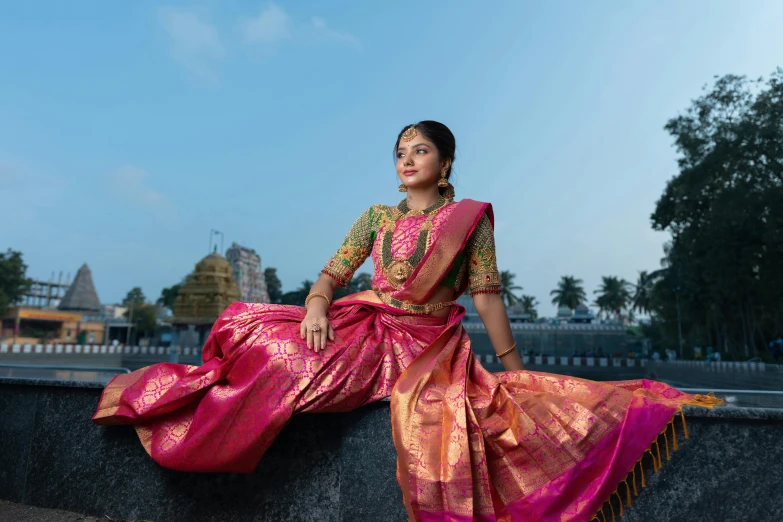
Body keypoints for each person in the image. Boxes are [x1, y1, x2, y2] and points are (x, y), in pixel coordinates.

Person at [92, 121, 723, 521]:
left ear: (445, 162)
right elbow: (333, 273)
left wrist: (514, 370)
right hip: (364, 318)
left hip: (422, 343)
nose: (407, 159)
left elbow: (485, 297)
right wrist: (315, 305)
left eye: (419, 150)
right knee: (257, 335)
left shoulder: (470, 221)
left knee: (292, 368)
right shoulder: (376, 217)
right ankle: (186, 419)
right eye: (399, 151)